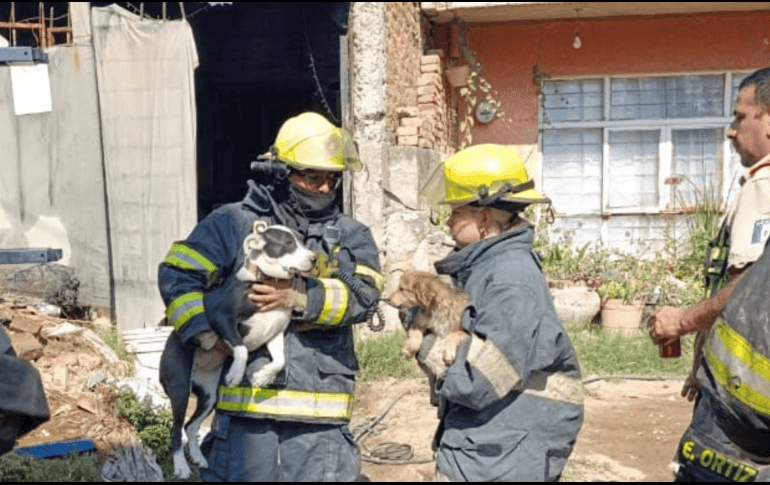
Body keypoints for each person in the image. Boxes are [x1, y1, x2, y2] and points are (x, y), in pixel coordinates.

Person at [158, 112, 384, 481]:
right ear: (280, 174)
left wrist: (299, 298)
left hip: (319, 425)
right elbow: (178, 274)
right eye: (312, 176)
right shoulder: (232, 223)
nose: (325, 188)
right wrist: (205, 334)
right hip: (245, 419)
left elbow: (366, 295)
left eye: (332, 179)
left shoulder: (350, 234)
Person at [416, 143, 584, 481]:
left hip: (505, 452)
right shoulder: (489, 268)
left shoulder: (510, 280)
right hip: (496, 441)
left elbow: (477, 381)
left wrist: (423, 336)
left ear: (484, 217)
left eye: (456, 212)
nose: (447, 220)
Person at [649, 67, 770, 481]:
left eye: (741, 117)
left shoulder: (764, 187)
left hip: (741, 413)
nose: (731, 132)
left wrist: (680, 321)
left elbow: (752, 285)